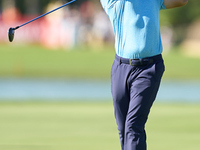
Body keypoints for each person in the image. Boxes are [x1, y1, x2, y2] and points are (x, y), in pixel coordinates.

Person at [100, 0, 188, 150]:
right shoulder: (112, 2)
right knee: (123, 129)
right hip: (121, 68)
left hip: (149, 68)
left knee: (133, 126)